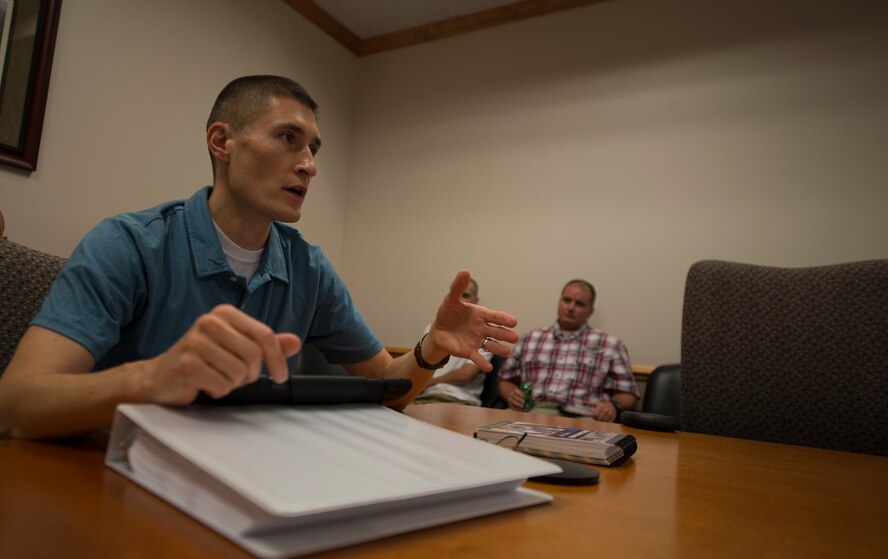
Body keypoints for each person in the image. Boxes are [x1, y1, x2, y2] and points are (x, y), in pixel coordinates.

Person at [0, 75, 519, 440]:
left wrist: (431, 347)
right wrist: (151, 379)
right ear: (222, 141)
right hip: (120, 481)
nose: (310, 165)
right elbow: (15, 407)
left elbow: (387, 387)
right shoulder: (128, 244)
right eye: (289, 139)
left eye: (314, 148)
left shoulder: (309, 268)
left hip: (256, 482)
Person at [498, 279, 638, 422]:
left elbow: (628, 393)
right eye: (567, 300)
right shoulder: (530, 338)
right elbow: (505, 379)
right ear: (559, 302)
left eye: (579, 304)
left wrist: (613, 406)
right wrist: (511, 395)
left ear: (590, 311)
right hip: (532, 412)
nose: (571, 307)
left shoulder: (611, 345)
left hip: (584, 417)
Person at [412, 278, 492, 406]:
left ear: (475, 302)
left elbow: (465, 375)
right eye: (456, 295)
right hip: (424, 397)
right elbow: (418, 366)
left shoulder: (483, 337)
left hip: (458, 400)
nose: (460, 300)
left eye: (465, 295)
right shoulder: (432, 329)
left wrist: (430, 382)